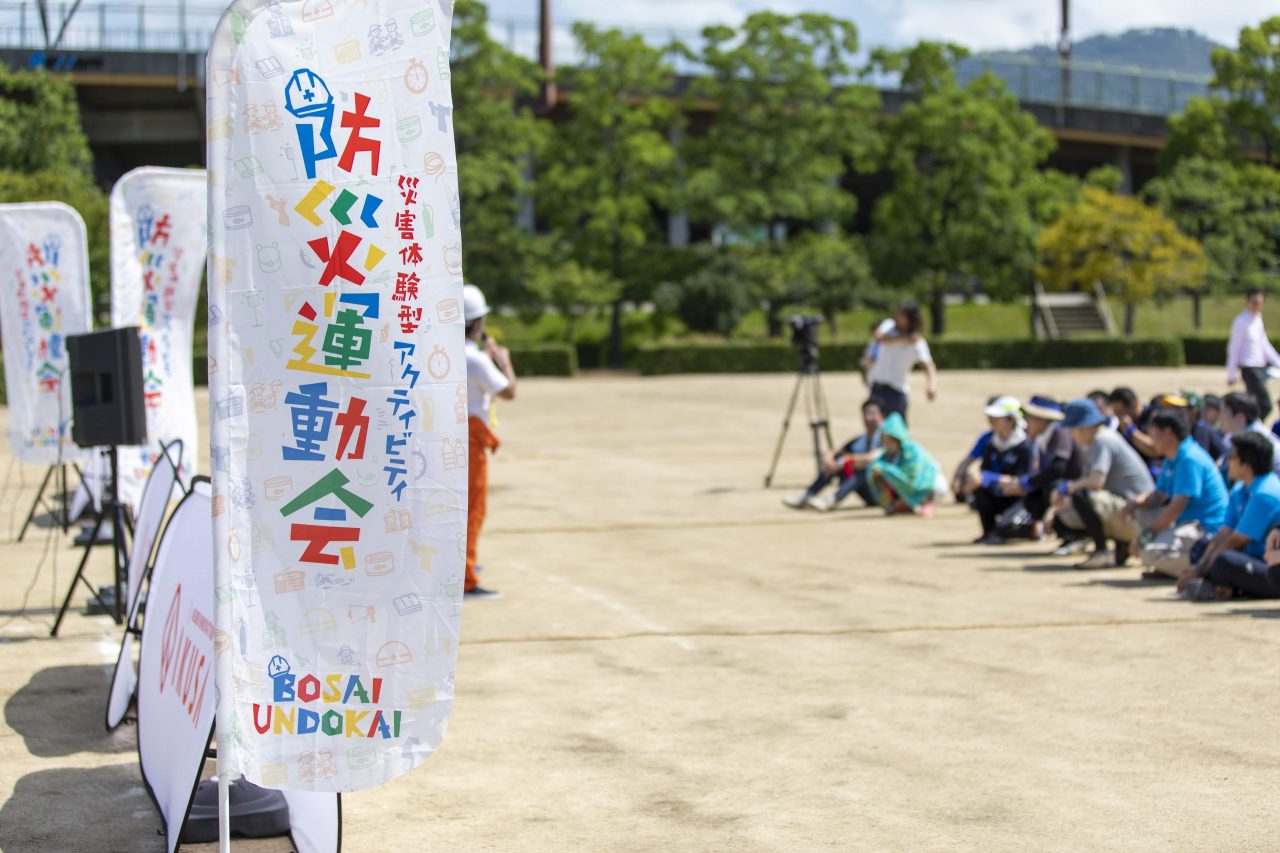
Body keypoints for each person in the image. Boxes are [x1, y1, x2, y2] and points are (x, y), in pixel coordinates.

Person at [1051, 398, 1155, 569]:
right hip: (1134, 513)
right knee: (1067, 511)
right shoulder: (1098, 440)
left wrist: (1067, 488)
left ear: (1084, 426)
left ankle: (1102, 552)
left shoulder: (1103, 439)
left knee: (1081, 496)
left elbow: (1096, 482)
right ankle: (1121, 548)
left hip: (1140, 517)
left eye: (1072, 428)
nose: (1071, 434)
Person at [1123, 410, 1228, 578]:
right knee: (1140, 511)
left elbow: (1177, 506)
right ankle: (1171, 564)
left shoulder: (1189, 458)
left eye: (1155, 434)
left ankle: (1201, 565)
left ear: (1168, 433)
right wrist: (1135, 502)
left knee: (1149, 553)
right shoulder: (1173, 457)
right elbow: (1158, 495)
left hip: (1205, 528)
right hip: (1186, 524)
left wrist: (1146, 536)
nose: (1151, 440)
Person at [1176, 431, 1280, 600]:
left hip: (1269, 565)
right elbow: (1223, 534)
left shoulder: (1265, 493)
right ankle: (1222, 585)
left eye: (1231, 457)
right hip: (1249, 557)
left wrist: (1199, 570)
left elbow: (1236, 540)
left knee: (1225, 560)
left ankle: (1225, 587)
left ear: (1247, 464)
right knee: (1202, 546)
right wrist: (1200, 566)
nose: (1226, 462)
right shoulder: (1240, 488)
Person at [463, 284, 516, 600]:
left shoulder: (443, 353)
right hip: (471, 442)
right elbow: (508, 392)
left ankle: (456, 569)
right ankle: (467, 578)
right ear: (478, 323)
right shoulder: (478, 360)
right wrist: (504, 361)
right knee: (472, 510)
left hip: (447, 438)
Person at [997, 395, 1086, 543]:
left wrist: (1026, 483)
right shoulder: (1045, 436)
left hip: (1075, 486)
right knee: (1033, 498)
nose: (1026, 423)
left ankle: (1076, 536)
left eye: (1029, 418)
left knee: (1048, 490)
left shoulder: (1059, 432)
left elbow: (1058, 469)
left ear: (1041, 420)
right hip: (1068, 485)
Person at [952, 397, 1034, 544]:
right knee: (980, 490)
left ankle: (1031, 529)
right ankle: (988, 532)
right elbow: (975, 464)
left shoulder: (1025, 445)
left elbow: (1022, 483)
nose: (991, 420)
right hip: (998, 495)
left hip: (1019, 499)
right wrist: (962, 478)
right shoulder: (991, 441)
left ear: (1011, 420)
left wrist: (990, 478)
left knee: (1008, 527)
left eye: (997, 418)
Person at [783, 398, 884, 511]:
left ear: (881, 416)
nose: (869, 418)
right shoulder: (860, 440)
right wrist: (830, 460)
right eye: (866, 414)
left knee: (861, 470)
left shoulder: (886, 438)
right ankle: (807, 495)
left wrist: (845, 462)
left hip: (880, 493)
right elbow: (836, 452)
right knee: (837, 460)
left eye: (873, 414)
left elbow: (871, 459)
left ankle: (833, 499)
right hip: (865, 490)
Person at [865, 300, 937, 423]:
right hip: (877, 387)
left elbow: (928, 365)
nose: (897, 317)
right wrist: (904, 339)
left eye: (901, 315)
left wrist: (932, 385)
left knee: (896, 430)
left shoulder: (917, 344)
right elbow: (879, 337)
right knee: (875, 428)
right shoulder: (889, 326)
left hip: (896, 390)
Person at [867, 412, 942, 516]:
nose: (886, 445)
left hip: (931, 486)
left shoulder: (913, 452)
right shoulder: (886, 456)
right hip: (906, 491)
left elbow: (911, 480)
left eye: (889, 441)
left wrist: (885, 469)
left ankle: (926, 502)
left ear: (897, 439)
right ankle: (901, 504)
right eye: (884, 442)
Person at [1227, 288, 1280, 422]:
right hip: (1249, 368)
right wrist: (1231, 373)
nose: (1257, 305)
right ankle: (1252, 427)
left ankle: (1249, 426)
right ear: (1247, 302)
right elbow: (1234, 347)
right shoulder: (1241, 321)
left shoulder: (1258, 319)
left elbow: (1264, 345)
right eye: (1254, 302)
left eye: (1260, 302)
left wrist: (1278, 361)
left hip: (1260, 367)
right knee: (1265, 405)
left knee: (1253, 405)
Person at [1218, 392, 1280, 479]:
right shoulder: (1235, 436)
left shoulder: (1254, 444)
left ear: (1239, 417)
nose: (1219, 418)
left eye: (1222, 412)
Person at [1108, 387, 1160, 467]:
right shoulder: (1121, 427)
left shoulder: (1153, 416)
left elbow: (1154, 450)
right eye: (1116, 414)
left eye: (1121, 412)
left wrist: (1131, 430)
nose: (1119, 417)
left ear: (1134, 404)